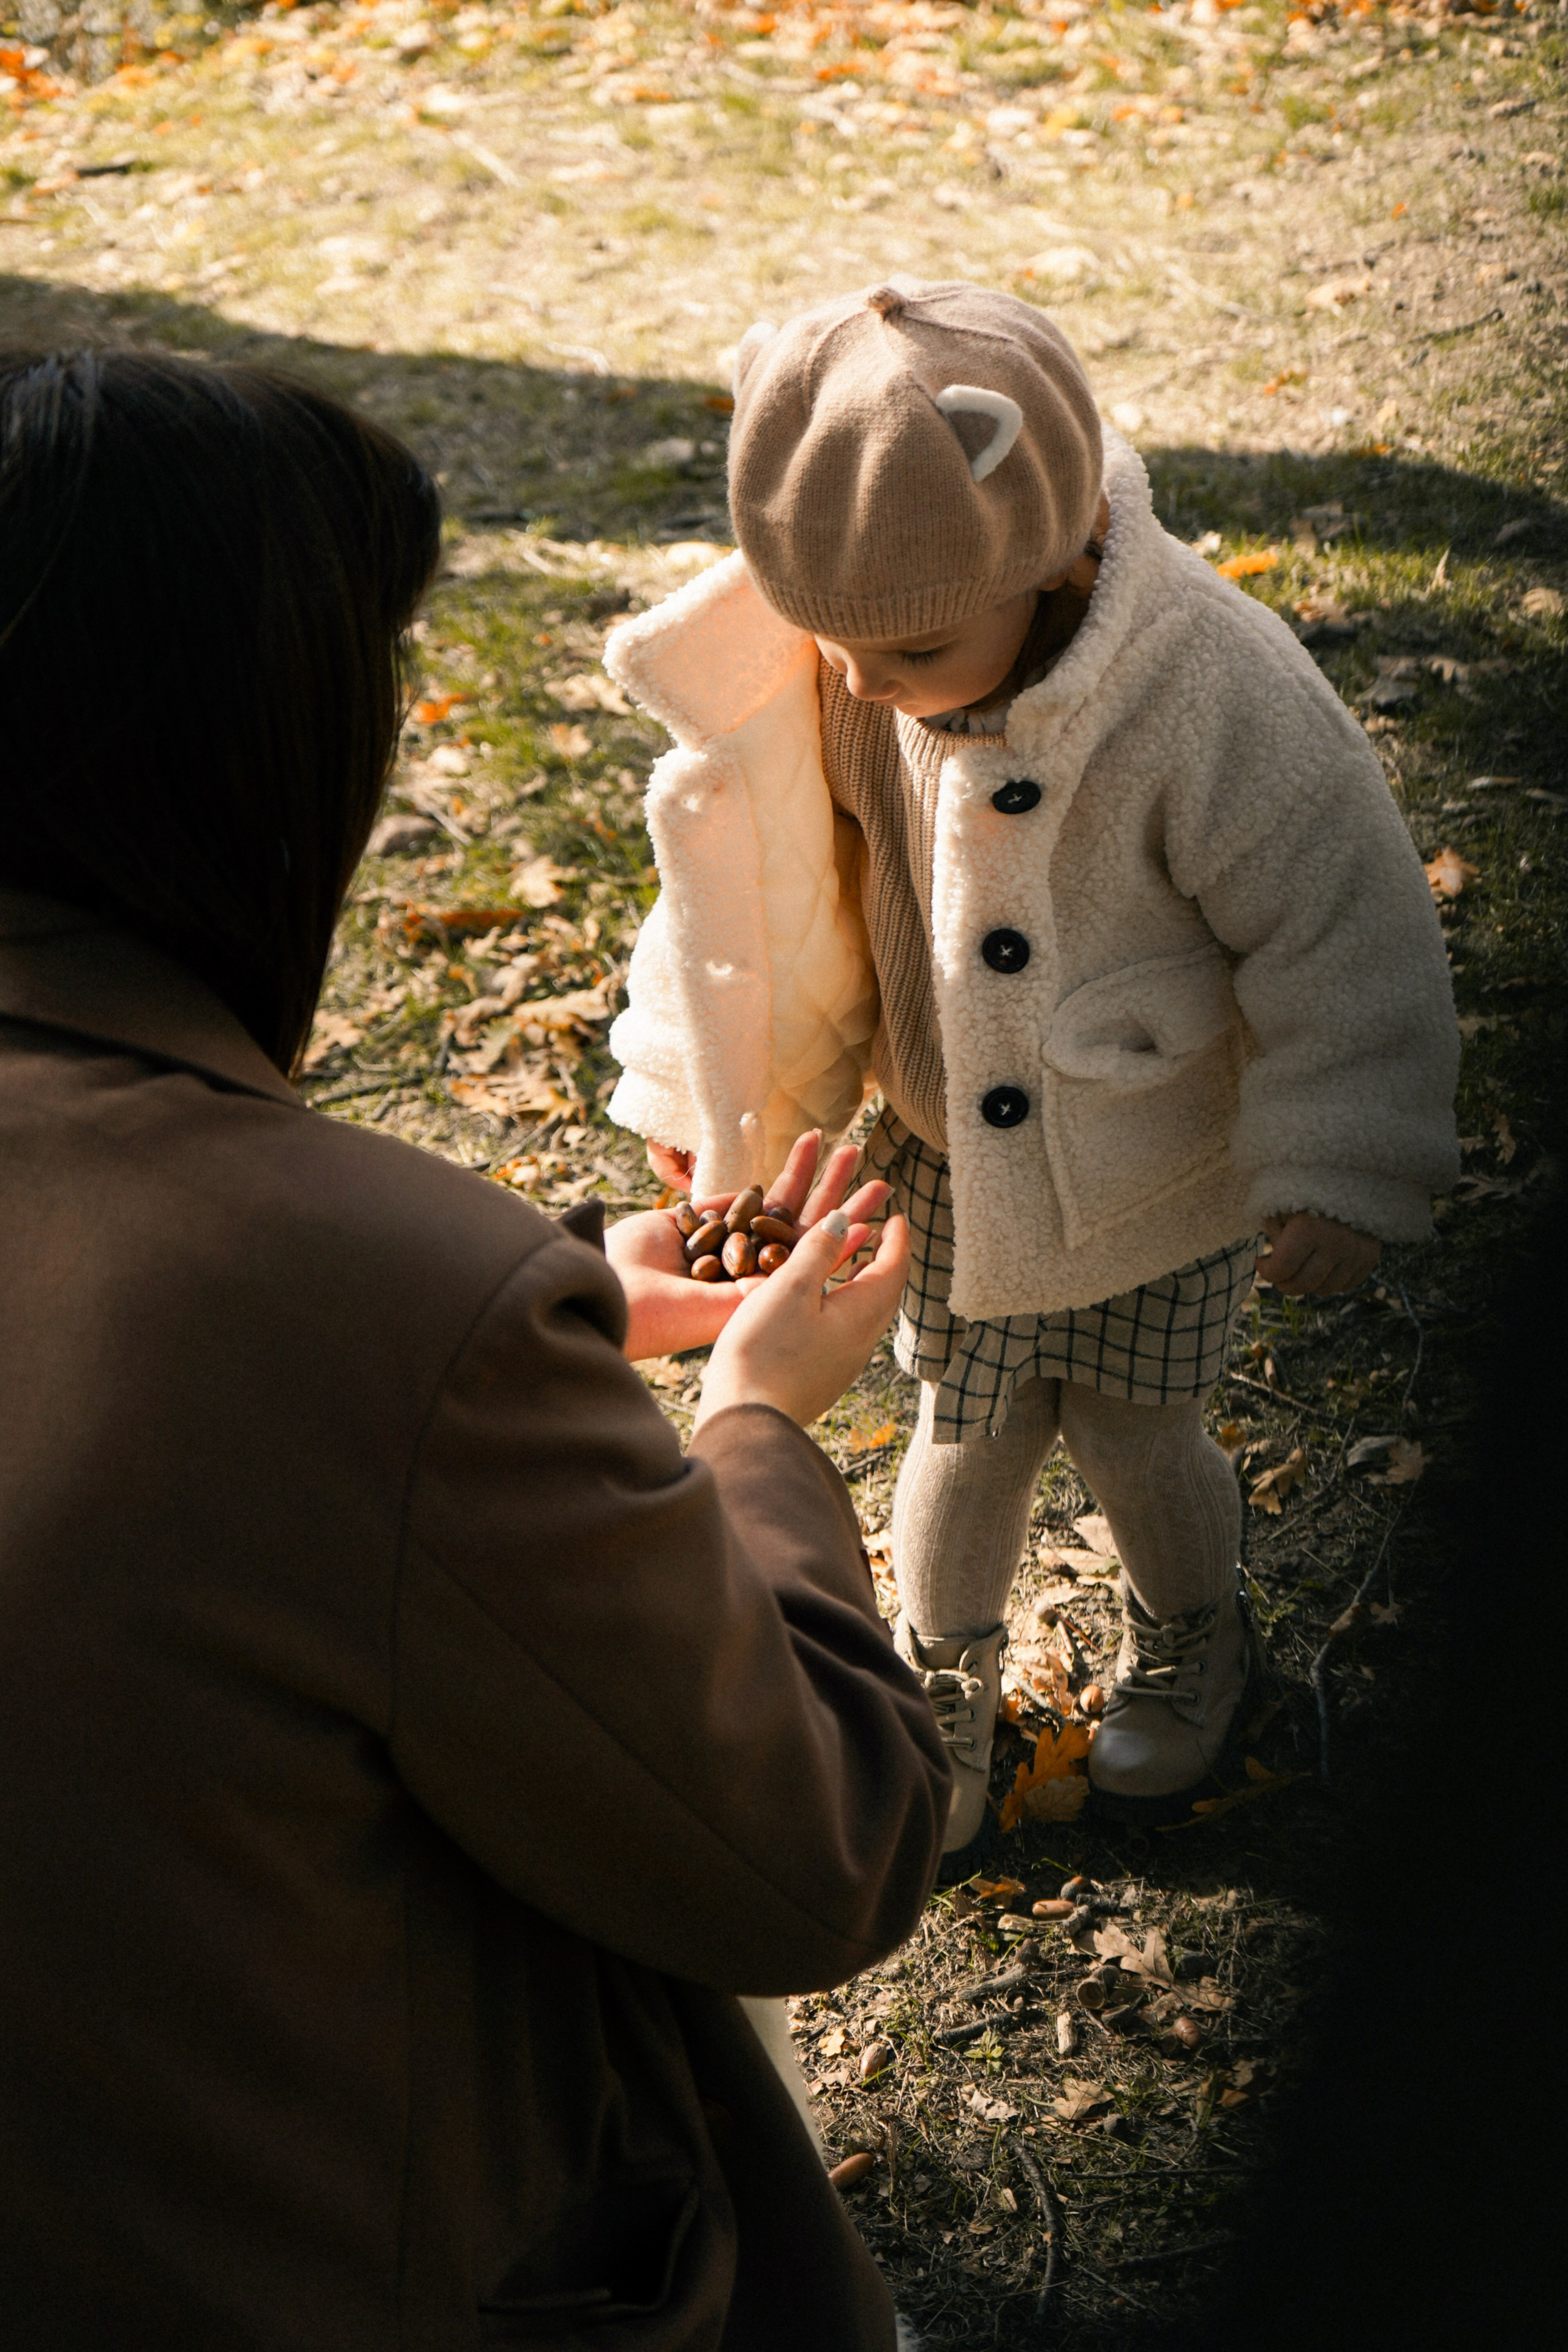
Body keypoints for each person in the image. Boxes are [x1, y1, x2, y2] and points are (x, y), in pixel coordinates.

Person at [0, 347, 948, 2350]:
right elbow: (814, 1847)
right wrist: (758, 1421)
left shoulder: (378, 1297)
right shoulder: (377, 1308)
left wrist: (500, 1301)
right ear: (250, 756)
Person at [603, 278, 1461, 1862]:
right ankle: (938, 1692)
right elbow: (752, 889)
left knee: (1141, 1431)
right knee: (968, 1430)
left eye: (912, 645)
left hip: (1160, 1157)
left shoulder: (1206, 685)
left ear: (1055, 557)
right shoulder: (842, 665)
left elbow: (1341, 918)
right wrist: (696, 1085)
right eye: (833, 644)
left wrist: (1341, 1149)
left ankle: (1197, 1638)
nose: (861, 682)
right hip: (943, 1151)